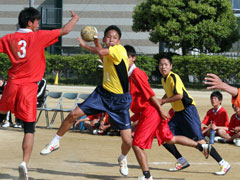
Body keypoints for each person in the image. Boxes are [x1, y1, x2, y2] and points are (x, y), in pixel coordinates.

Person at [40, 25, 132, 177]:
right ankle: (55, 141)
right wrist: (95, 40)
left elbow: (101, 51)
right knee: (74, 114)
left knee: (127, 141)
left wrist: (85, 46)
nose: (111, 39)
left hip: (119, 101)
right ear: (104, 39)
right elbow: (102, 54)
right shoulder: (108, 52)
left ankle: (122, 158)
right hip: (102, 94)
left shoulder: (119, 50)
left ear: (119, 41)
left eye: (114, 37)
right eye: (108, 37)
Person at [0, 7, 79, 180]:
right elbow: (65, 30)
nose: (38, 24)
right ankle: (24, 164)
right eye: (37, 22)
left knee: (1, 115)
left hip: (11, 85)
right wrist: (75, 19)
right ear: (30, 22)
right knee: (29, 129)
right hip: (28, 87)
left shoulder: (8, 38)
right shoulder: (38, 36)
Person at [125, 45, 211, 180]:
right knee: (169, 138)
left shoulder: (137, 73)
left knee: (137, 144)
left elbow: (150, 94)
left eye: (127, 57)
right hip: (152, 112)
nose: (123, 59)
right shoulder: (133, 74)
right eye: (121, 57)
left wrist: (161, 108)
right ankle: (200, 147)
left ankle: (147, 176)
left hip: (162, 111)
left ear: (133, 58)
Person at [158, 55, 231, 176]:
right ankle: (181, 161)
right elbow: (168, 92)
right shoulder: (163, 79)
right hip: (178, 113)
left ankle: (223, 163)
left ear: (171, 66)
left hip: (188, 111)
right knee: (164, 136)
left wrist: (162, 102)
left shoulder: (173, 77)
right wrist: (161, 101)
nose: (163, 67)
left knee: (201, 141)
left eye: (166, 64)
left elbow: (180, 96)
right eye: (161, 64)